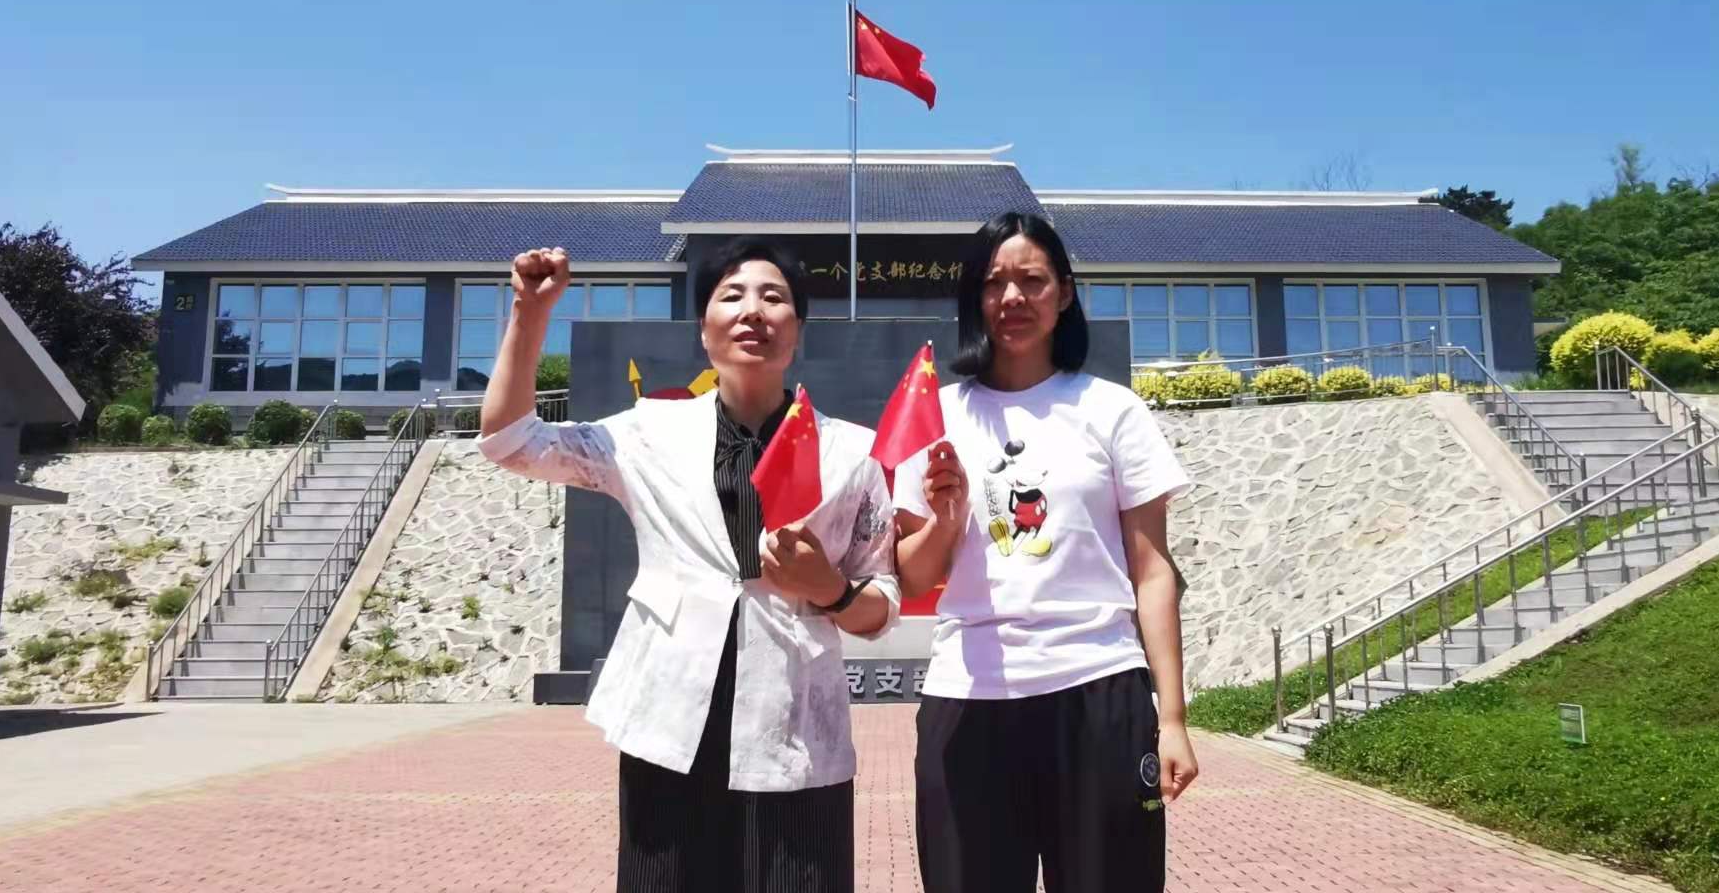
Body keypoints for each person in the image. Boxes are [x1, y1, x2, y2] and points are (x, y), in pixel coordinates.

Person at [478, 238, 899, 893]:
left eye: (774, 297)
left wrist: (832, 589)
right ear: (704, 330)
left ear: (797, 330)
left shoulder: (853, 454)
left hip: (796, 729)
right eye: (732, 296)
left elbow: (880, 606)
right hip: (671, 720)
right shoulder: (648, 433)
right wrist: (530, 315)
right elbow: (511, 442)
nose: (752, 310)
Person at [893, 212, 1199, 893]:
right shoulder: (939, 415)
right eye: (993, 282)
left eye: (1031, 280)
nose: (1012, 297)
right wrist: (946, 518)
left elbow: (1153, 572)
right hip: (968, 696)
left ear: (1063, 293)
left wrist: (1173, 718)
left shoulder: (1111, 410)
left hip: (1098, 687)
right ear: (974, 298)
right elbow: (913, 574)